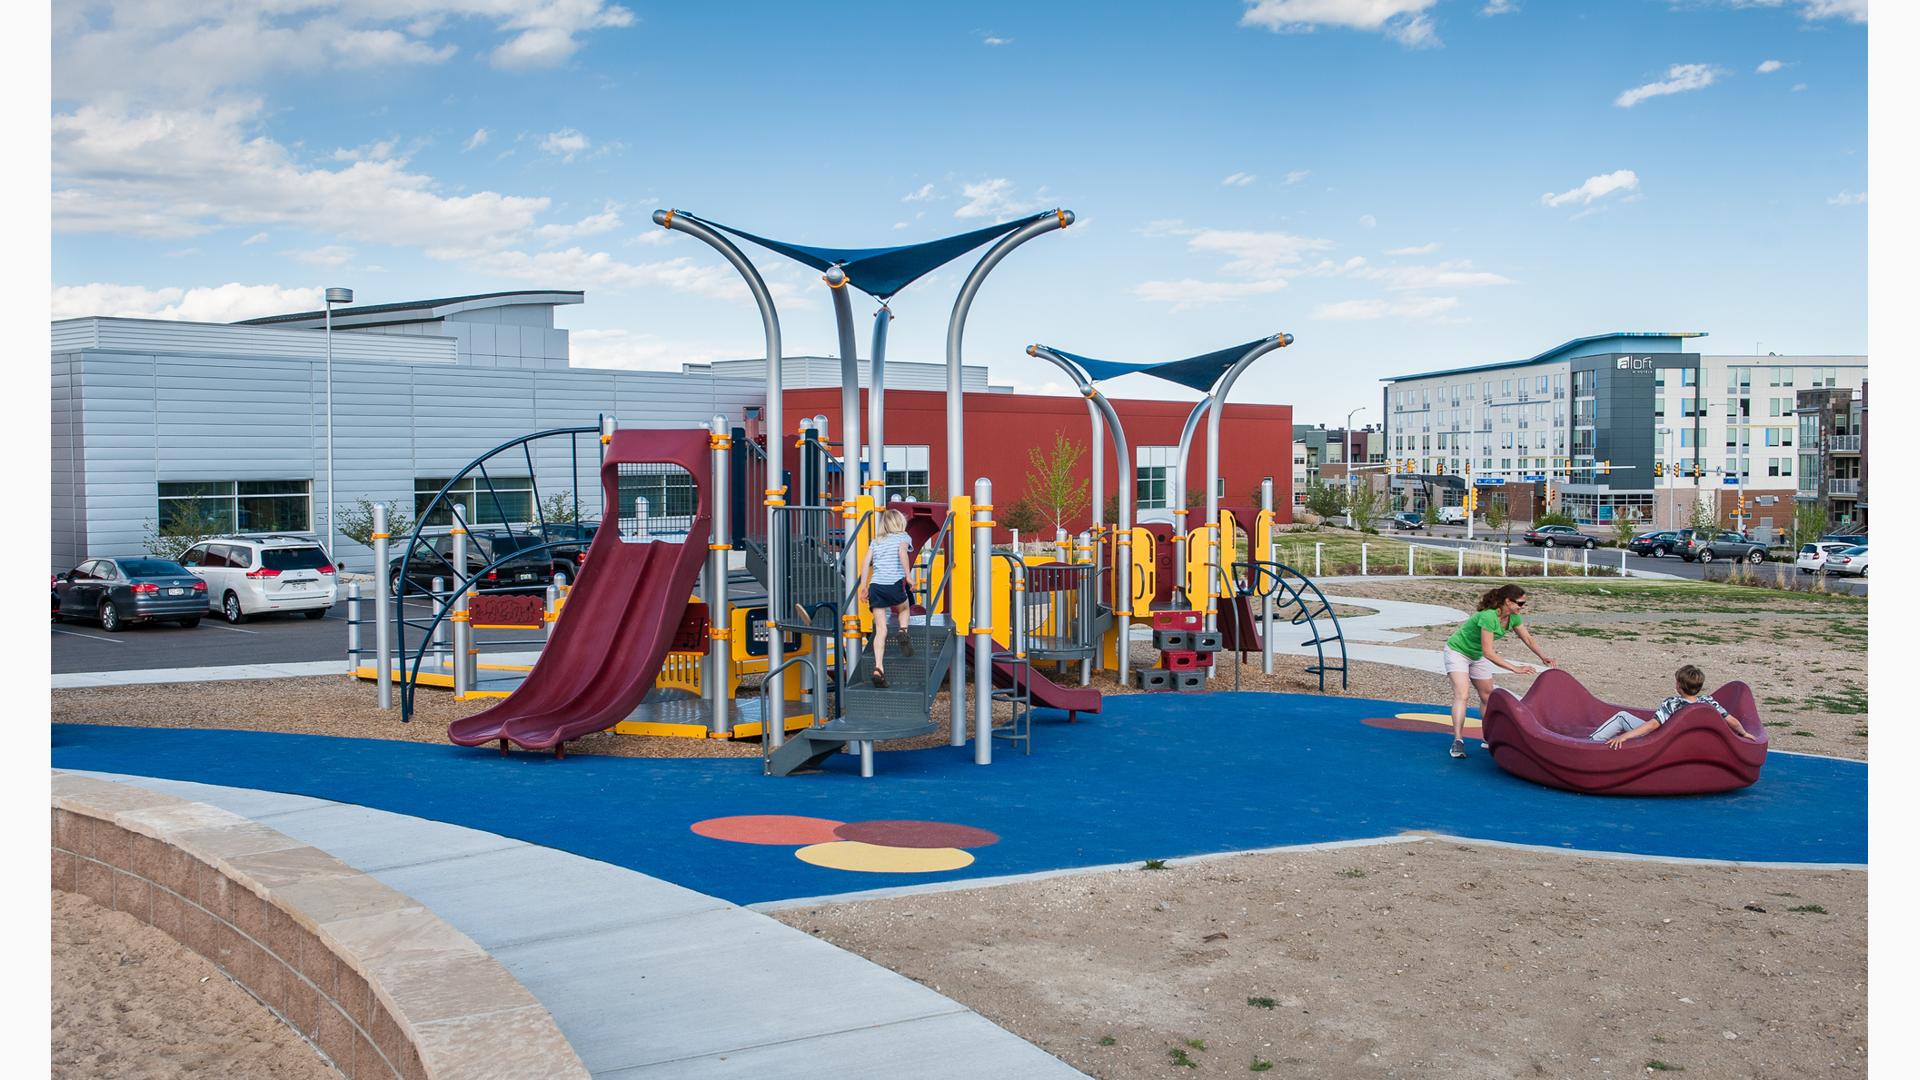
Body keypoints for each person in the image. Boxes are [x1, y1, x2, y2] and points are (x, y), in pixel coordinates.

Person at [1442, 583, 1556, 760]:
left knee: (1488, 695)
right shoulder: (1488, 616)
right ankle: (1457, 740)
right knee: (1462, 695)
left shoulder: (1513, 617)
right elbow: (1489, 652)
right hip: (1458, 651)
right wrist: (1515, 668)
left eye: (1523, 604)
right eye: (1520, 603)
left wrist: (1543, 656)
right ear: (1507, 602)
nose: (1522, 607)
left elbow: (1527, 638)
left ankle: (1488, 736)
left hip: (1476, 654)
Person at [1589, 664, 1759, 748]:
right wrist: (1743, 733)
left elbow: (1653, 725)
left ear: (1678, 685)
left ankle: (1589, 744)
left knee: (1622, 717)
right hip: (1685, 742)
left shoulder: (1673, 703)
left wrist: (1625, 736)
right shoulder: (1708, 702)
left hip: (1660, 739)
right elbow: (1732, 720)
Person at [859, 508, 915, 688]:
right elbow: (902, 554)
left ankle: (878, 667)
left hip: (876, 587)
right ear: (900, 523)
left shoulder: (876, 541)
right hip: (893, 583)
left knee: (880, 630)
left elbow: (865, 562)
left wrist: (863, 586)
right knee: (905, 607)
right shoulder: (903, 537)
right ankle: (903, 631)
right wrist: (908, 576)